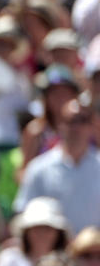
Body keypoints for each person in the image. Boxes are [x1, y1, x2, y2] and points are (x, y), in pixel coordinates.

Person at [14, 97, 100, 236]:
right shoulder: (39, 168)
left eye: (82, 120)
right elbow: (24, 212)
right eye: (71, 121)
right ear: (60, 126)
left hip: (94, 253)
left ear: (91, 126)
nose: (76, 127)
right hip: (52, 255)